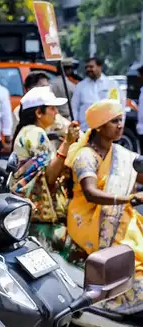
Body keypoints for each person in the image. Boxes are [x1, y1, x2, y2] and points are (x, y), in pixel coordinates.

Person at [65, 99, 143, 315]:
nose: (120, 125)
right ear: (99, 126)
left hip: (119, 212)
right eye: (114, 121)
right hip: (89, 219)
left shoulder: (121, 154)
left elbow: (138, 176)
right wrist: (128, 199)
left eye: (121, 120)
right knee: (130, 251)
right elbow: (91, 193)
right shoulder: (85, 156)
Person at [9, 86, 81, 259]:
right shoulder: (35, 133)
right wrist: (67, 143)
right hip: (40, 219)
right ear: (38, 113)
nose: (56, 112)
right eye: (52, 108)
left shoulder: (28, 132)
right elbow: (48, 177)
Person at [12, 72, 71, 140]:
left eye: (48, 87)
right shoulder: (20, 113)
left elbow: (65, 126)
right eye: (42, 88)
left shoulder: (51, 112)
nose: (47, 91)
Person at [71, 57, 122, 131]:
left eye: (91, 67)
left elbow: (117, 106)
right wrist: (75, 124)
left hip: (106, 129)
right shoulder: (80, 86)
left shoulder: (111, 84)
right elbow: (74, 107)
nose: (88, 69)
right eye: (86, 67)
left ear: (100, 67)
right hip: (85, 129)